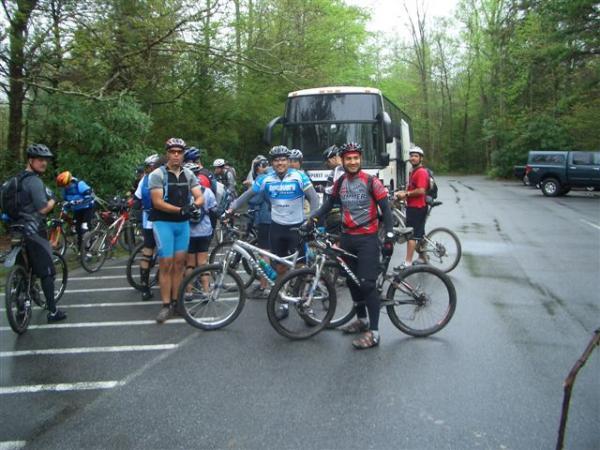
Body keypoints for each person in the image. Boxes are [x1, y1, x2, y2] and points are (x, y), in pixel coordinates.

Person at [306, 142, 394, 349]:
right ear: (343, 161)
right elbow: (328, 205)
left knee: (367, 284)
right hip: (347, 238)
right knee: (352, 282)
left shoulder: (371, 182)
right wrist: (312, 220)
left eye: (356, 158)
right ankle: (362, 320)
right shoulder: (341, 182)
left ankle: (374, 333)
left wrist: (389, 235)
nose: (353, 162)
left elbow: (386, 210)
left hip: (367, 239)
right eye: (349, 158)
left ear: (360, 159)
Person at [227, 146, 319, 314]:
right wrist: (230, 210)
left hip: (296, 229)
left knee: (301, 268)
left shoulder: (299, 176)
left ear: (289, 161)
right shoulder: (265, 179)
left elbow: (314, 198)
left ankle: (304, 301)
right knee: (281, 269)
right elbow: (247, 195)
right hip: (277, 229)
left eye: (283, 159)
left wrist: (311, 220)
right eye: (276, 160)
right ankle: (284, 301)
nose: (280, 163)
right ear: (272, 163)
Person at [149, 137, 204, 323]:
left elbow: (199, 195)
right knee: (166, 264)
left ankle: (177, 302)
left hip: (182, 225)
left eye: (179, 152)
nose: (175, 155)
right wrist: (181, 210)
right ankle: (166, 305)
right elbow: (157, 202)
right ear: (167, 154)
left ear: (183, 155)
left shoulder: (189, 174)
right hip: (163, 223)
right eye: (172, 152)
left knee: (180, 264)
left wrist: (194, 205)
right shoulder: (157, 174)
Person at [17, 144, 67, 322]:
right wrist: (53, 200)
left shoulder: (15, 180)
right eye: (40, 159)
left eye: (46, 160)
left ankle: (20, 309)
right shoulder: (34, 182)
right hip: (34, 230)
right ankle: (53, 312)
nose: (44, 163)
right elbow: (43, 208)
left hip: (17, 229)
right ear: (30, 160)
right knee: (47, 272)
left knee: (21, 270)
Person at [394, 146, 429, 270]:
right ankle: (423, 257)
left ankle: (407, 262)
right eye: (411, 155)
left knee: (412, 235)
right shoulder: (413, 171)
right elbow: (412, 188)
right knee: (420, 233)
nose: (413, 158)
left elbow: (420, 190)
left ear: (421, 158)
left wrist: (406, 194)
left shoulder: (421, 172)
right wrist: (401, 193)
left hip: (417, 207)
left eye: (416, 156)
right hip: (413, 206)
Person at [134, 153, 161, 301]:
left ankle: (145, 288)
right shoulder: (165, 177)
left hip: (148, 221)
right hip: (163, 221)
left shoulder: (144, 180)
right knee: (166, 253)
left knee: (147, 253)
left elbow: (137, 201)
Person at [185, 182, 217, 300]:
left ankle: (188, 291)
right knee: (203, 263)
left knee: (190, 264)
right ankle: (205, 291)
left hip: (189, 232)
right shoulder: (207, 191)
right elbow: (213, 210)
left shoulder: (184, 192)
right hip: (204, 231)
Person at [245, 156, 272, 299]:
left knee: (264, 253)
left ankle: (263, 286)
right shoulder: (274, 178)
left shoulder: (263, 181)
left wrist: (250, 188)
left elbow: (255, 199)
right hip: (274, 219)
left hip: (265, 219)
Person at [55, 171, 95, 249]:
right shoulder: (65, 189)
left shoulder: (79, 184)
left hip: (87, 207)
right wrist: (65, 208)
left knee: (84, 228)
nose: (65, 187)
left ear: (69, 181)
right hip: (77, 209)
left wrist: (80, 200)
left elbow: (90, 194)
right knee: (77, 229)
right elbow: (65, 200)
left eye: (66, 184)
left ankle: (88, 249)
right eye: (63, 186)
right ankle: (81, 250)